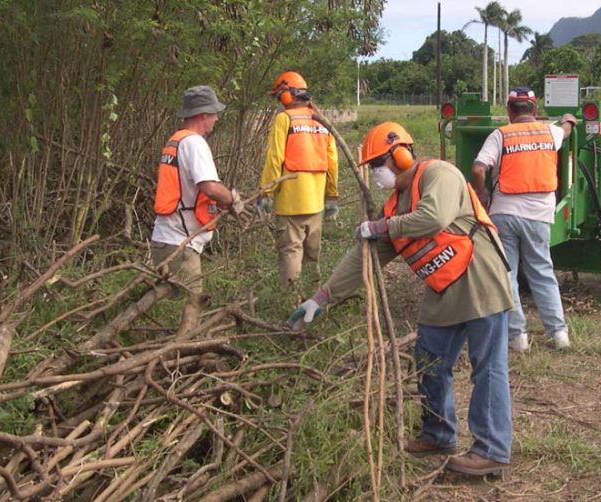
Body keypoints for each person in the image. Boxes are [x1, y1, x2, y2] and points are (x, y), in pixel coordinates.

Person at [288, 122, 515, 476]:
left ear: (400, 155)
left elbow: (433, 217)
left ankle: (492, 451)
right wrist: (321, 297)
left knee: (487, 367)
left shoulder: (440, 174)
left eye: (379, 164)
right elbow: (364, 257)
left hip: (480, 279)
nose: (377, 174)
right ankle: (438, 433)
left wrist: (380, 227)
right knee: (428, 360)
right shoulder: (395, 206)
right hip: (443, 288)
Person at [471, 87, 577, 352]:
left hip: (504, 213)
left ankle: (518, 338)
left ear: (509, 111)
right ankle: (559, 334)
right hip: (539, 215)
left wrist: (482, 192)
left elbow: (478, 168)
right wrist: (568, 120)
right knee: (542, 272)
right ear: (535, 110)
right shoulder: (549, 132)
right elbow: (565, 131)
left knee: (508, 274)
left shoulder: (500, 135)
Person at [151, 85, 246, 295]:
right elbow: (209, 187)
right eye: (214, 113)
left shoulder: (176, 141)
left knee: (170, 312)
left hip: (165, 241)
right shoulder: (194, 143)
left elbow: (191, 190)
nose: (217, 119)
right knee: (190, 309)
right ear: (203, 114)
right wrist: (232, 200)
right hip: (179, 245)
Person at [258, 71, 339, 292]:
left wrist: (265, 192)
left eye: (278, 97)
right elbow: (332, 160)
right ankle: (314, 299)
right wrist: (332, 195)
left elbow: (275, 158)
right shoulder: (321, 120)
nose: (278, 102)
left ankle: (290, 300)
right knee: (312, 253)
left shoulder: (284, 119)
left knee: (291, 251)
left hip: (290, 201)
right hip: (316, 202)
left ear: (287, 95)